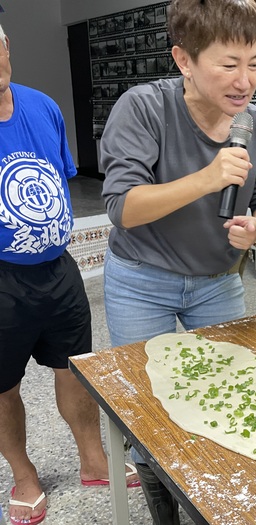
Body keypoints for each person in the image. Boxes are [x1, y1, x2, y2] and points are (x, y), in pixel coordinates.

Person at [100, 0, 256, 523]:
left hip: (218, 279)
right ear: (184, 59)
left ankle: (216, 495)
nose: (245, 80)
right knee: (149, 403)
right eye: (229, 64)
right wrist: (208, 176)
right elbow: (123, 208)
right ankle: (162, 505)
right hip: (141, 279)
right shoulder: (144, 108)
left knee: (230, 390)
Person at [0, 23, 138, 525]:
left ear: (6, 46)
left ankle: (93, 457)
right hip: (1, 283)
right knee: (3, 387)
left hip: (59, 270)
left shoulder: (42, 106)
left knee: (76, 367)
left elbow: (57, 179)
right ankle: (23, 475)